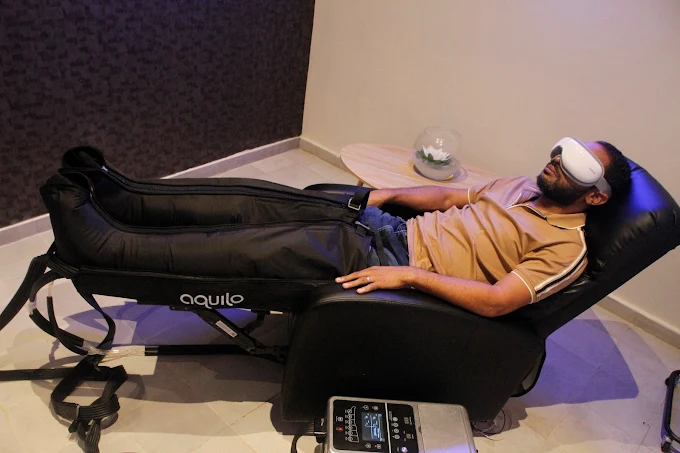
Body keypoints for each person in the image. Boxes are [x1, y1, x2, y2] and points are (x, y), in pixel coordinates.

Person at [335, 139, 632, 317]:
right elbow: (448, 197)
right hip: (397, 227)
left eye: (576, 166)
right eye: (564, 153)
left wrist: (409, 275)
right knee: (314, 203)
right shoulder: (521, 185)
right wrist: (388, 194)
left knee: (307, 246)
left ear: (596, 197)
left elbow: (497, 302)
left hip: (402, 264)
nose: (556, 160)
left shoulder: (566, 248)